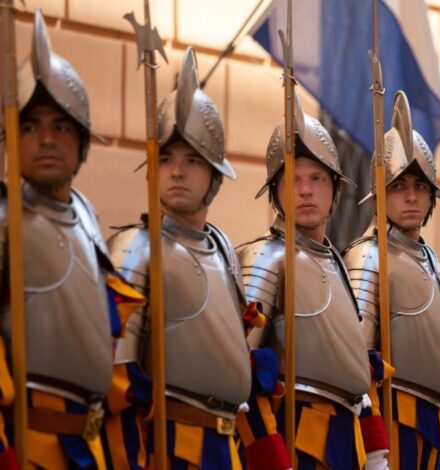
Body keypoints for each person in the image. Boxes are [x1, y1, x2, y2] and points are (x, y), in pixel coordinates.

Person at [0, 10, 144, 469]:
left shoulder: (85, 213)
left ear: (81, 143)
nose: (45, 138)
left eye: (61, 126)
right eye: (30, 125)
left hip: (91, 446)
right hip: (29, 446)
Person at [106, 48, 251, 469]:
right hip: (170, 448)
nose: (176, 171)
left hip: (227, 448)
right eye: (166, 158)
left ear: (214, 175)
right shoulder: (136, 248)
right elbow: (121, 379)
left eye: (191, 159)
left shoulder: (223, 247)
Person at [236, 91, 386, 470]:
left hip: (346, 443)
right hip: (293, 438)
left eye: (317, 178)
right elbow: (241, 374)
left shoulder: (336, 261)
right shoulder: (264, 258)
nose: (305, 190)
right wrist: (271, 458)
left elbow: (356, 372)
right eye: (293, 179)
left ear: (334, 189)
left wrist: (375, 451)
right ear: (275, 190)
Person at [343, 91, 440, 469]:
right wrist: (375, 447)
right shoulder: (368, 255)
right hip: (394, 425)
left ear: (431, 197)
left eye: (420, 186)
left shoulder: (428, 257)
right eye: (399, 186)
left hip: (434, 424)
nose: (411, 197)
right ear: (381, 193)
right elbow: (359, 362)